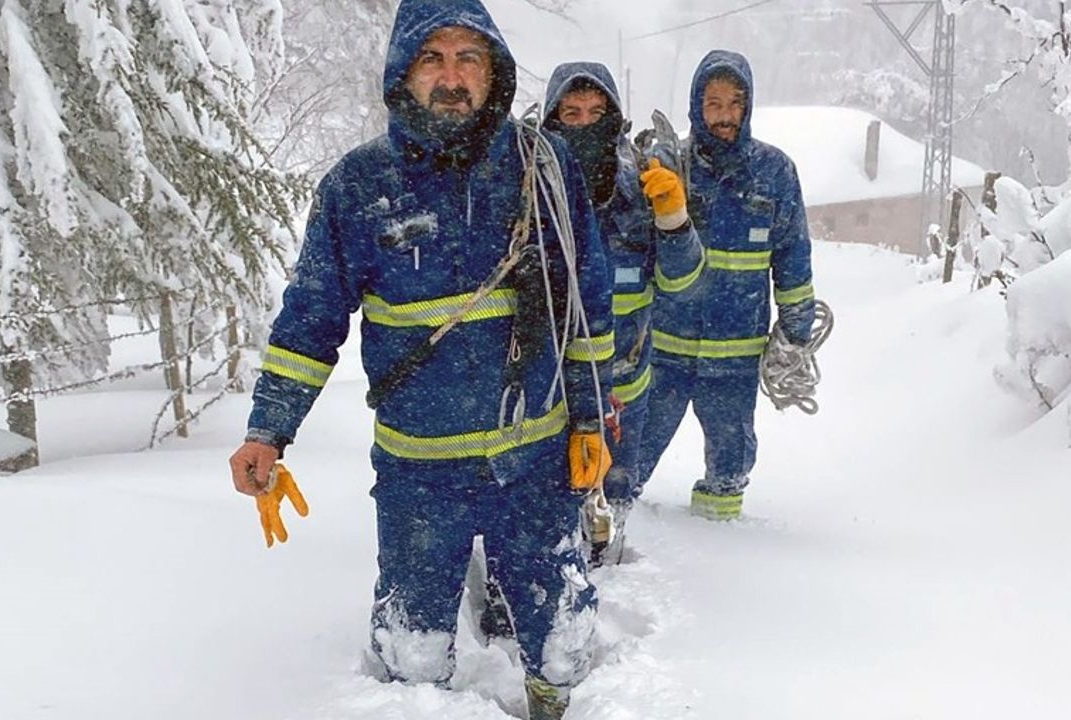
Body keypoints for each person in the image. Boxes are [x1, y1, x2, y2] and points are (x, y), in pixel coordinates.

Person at [226, 1, 615, 717]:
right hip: (419, 475)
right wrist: (268, 428)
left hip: (533, 459)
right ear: (403, 71)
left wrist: (592, 416)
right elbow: (312, 317)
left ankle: (550, 704)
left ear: (493, 70)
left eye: (469, 58)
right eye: (432, 58)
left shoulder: (543, 165)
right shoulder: (356, 187)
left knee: (561, 640)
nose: (452, 76)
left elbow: (586, 298)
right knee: (414, 654)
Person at [636, 50, 816, 522]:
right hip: (665, 350)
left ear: (748, 106)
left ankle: (719, 541)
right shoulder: (669, 165)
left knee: (730, 462)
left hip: (735, 355)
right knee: (632, 452)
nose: (724, 115)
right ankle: (611, 527)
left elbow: (793, 255)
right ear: (697, 106)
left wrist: (797, 328)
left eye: (734, 103)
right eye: (713, 104)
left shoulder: (775, 173)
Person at [540, 62, 703, 563]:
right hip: (548, 395)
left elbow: (682, 282)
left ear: (615, 119)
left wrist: (674, 221)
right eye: (572, 113)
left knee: (612, 504)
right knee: (546, 514)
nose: (585, 124)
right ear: (551, 121)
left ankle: (604, 574)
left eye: (596, 112)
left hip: (623, 391)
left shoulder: (642, 187)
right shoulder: (533, 190)